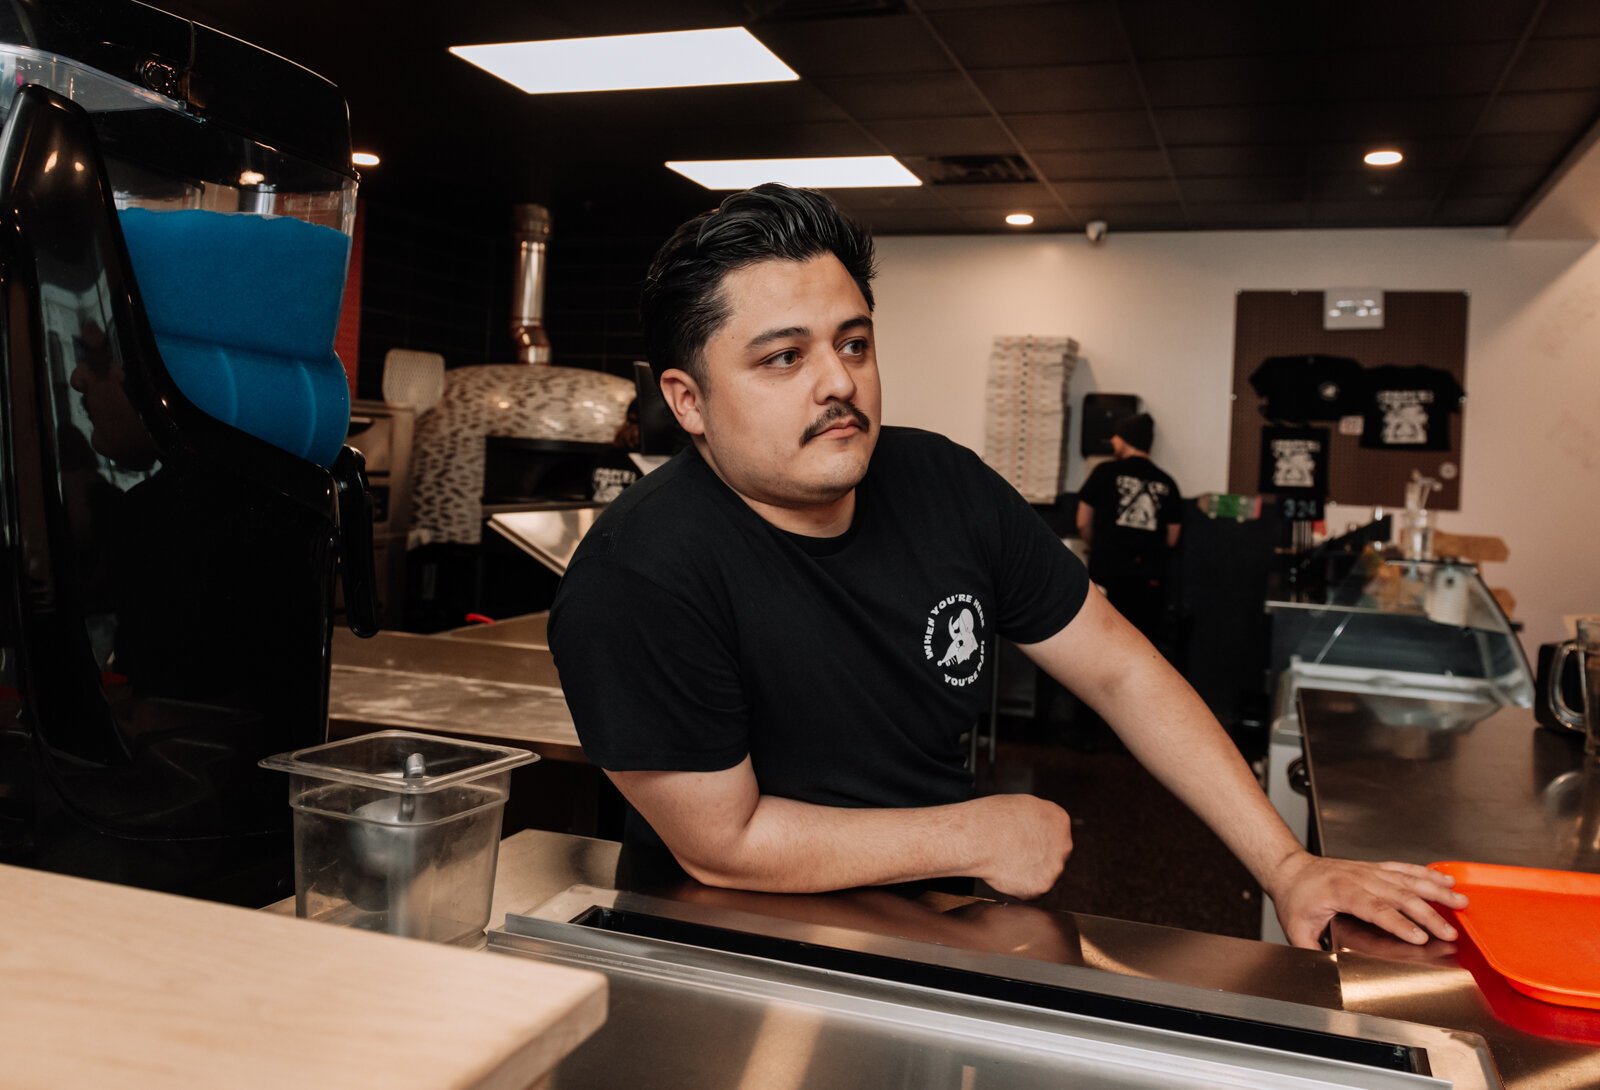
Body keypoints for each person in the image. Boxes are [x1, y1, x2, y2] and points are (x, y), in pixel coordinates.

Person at [548, 183, 1464, 950]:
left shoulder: (944, 483)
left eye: (853, 343)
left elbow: (1118, 665)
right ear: (688, 400)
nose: (838, 381)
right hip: (725, 942)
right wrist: (976, 828)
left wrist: (1288, 865)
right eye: (783, 357)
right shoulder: (642, 571)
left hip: (941, 917)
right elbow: (725, 845)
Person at [1075, 412, 1182, 647]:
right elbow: (1173, 537)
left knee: (1102, 643)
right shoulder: (1167, 481)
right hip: (1148, 581)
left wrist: (1100, 546)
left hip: (1107, 575)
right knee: (1142, 645)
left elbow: (1083, 522)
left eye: (1117, 435)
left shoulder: (1104, 472)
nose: (1113, 440)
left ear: (1126, 439)